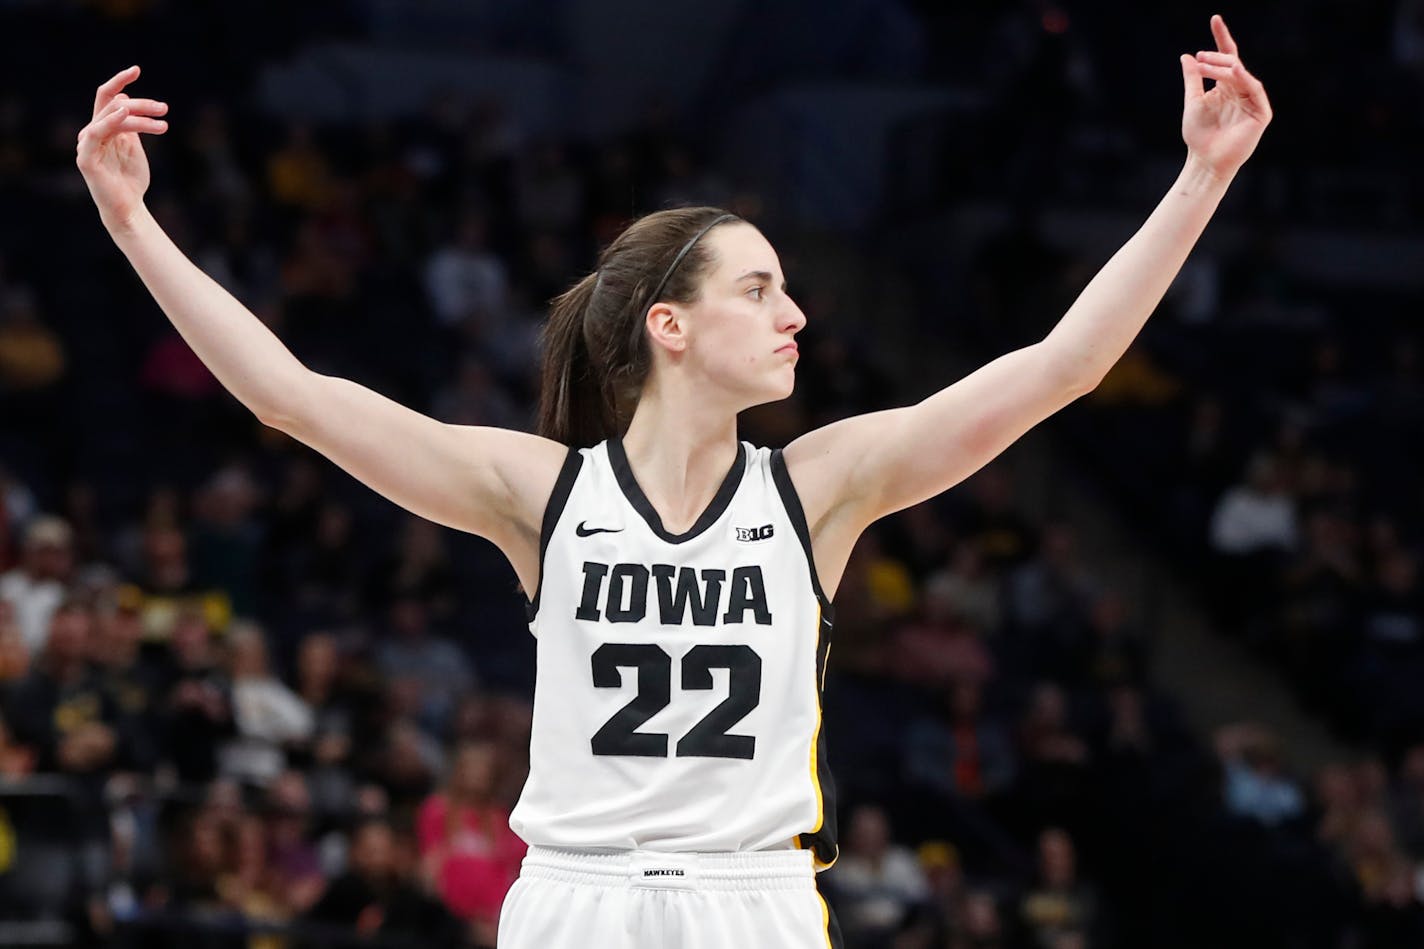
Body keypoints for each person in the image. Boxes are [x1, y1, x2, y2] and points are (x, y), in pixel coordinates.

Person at [75, 15, 1271, 947]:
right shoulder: (541, 494)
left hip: (753, 897)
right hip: (576, 898)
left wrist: (1198, 181)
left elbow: (1059, 369)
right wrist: (134, 227)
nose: (795, 312)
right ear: (669, 326)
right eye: (756, 289)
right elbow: (291, 395)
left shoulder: (818, 488)